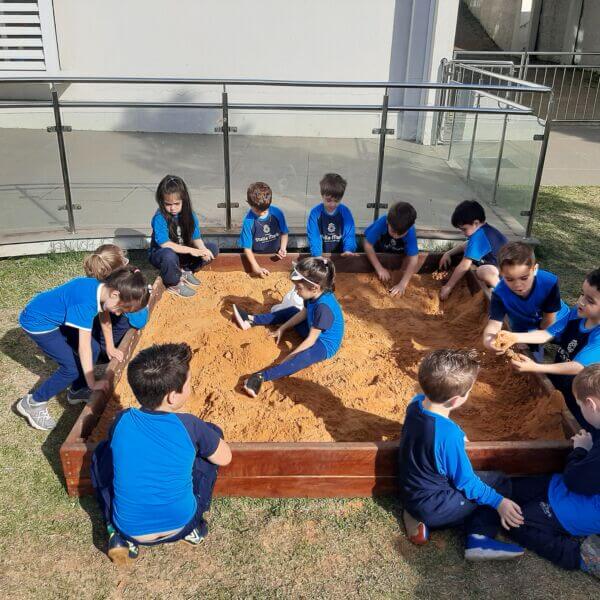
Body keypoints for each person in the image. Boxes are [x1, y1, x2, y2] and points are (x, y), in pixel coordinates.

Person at [90, 342, 232, 565]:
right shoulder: (190, 425)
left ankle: (118, 535)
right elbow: (225, 458)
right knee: (212, 436)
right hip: (181, 524)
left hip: (129, 528)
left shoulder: (121, 420)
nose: (191, 387)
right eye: (188, 383)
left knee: (101, 453)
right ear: (172, 396)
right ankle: (193, 530)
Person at [472, 365, 600, 579]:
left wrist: (579, 451)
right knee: (509, 488)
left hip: (585, 506)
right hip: (571, 485)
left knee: (515, 523)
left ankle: (580, 556)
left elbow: (576, 481)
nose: (579, 409)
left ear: (591, 404)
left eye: (579, 405)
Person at [398, 349, 525, 560]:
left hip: (409, 491)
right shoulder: (449, 436)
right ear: (457, 400)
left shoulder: (415, 404)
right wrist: (499, 502)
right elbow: (466, 482)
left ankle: (415, 516)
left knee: (439, 480)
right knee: (498, 481)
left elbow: (433, 423)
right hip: (435, 506)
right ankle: (479, 538)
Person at [16, 267, 150, 431]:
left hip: (59, 316)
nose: (118, 314)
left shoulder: (103, 290)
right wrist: (93, 383)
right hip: (38, 323)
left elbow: (104, 315)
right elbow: (83, 347)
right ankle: (33, 403)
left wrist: (110, 346)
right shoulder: (85, 303)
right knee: (70, 369)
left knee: (95, 348)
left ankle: (77, 390)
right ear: (115, 294)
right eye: (120, 309)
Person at [493, 267, 600, 431]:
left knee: (573, 429)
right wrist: (514, 337)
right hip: (559, 381)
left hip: (583, 399)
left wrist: (536, 367)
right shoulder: (576, 315)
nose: (581, 302)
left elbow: (578, 367)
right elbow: (546, 334)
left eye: (590, 301)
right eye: (582, 294)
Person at [232, 257, 344, 398]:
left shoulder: (323, 308)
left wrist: (291, 356)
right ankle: (250, 320)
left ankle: (261, 377)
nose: (295, 291)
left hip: (323, 344)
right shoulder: (313, 294)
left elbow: (311, 340)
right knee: (291, 311)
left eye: (299, 287)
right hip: (311, 326)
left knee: (303, 357)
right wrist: (282, 328)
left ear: (314, 287)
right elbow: (303, 313)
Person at [482, 242, 569, 357]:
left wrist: (530, 341)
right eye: (510, 279)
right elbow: (494, 323)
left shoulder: (548, 283)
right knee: (530, 355)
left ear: (535, 269)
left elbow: (548, 320)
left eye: (524, 278)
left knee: (566, 345)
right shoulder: (500, 293)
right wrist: (488, 341)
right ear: (502, 274)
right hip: (523, 323)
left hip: (557, 319)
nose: (518, 285)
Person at [149, 174, 219, 298]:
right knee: (169, 255)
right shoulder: (160, 217)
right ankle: (173, 283)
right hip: (162, 255)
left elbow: (196, 238)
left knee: (212, 248)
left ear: (184, 200)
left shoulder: (190, 215)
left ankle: (185, 271)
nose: (172, 208)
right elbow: (165, 244)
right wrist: (192, 250)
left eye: (177, 203)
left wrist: (202, 250)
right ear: (161, 202)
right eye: (168, 204)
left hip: (182, 253)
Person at [439, 200, 507, 300]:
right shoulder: (485, 230)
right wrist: (448, 253)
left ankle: (502, 291)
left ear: (476, 223)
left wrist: (448, 287)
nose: (463, 233)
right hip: (501, 266)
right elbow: (466, 245)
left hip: (504, 274)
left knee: (482, 271)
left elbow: (464, 265)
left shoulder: (479, 237)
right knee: (469, 245)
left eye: (464, 229)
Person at [363, 201, 422, 297]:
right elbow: (367, 244)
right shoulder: (382, 222)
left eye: (401, 234)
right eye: (393, 231)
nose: (396, 236)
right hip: (379, 250)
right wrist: (379, 268)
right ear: (388, 221)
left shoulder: (410, 231)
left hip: (398, 253)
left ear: (409, 228)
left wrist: (402, 284)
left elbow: (414, 259)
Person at [238, 181, 289, 277]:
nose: (261, 213)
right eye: (257, 210)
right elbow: (247, 248)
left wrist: (283, 248)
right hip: (256, 255)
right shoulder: (248, 221)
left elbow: (284, 233)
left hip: (276, 253)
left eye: (265, 210)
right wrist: (256, 267)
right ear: (250, 204)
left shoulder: (277, 213)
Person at [306, 173, 356, 257]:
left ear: (341, 198)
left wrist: (348, 250)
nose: (332, 204)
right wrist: (317, 255)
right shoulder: (315, 213)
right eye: (328, 200)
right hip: (321, 254)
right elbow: (314, 236)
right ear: (322, 195)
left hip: (342, 255)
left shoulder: (345, 212)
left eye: (336, 201)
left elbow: (349, 234)